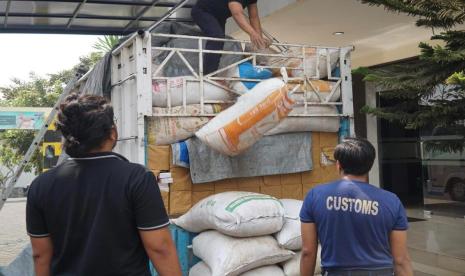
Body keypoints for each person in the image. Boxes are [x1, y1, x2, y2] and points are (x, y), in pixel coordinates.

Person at [26, 94, 182, 276]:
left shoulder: (40, 185)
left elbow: (40, 255)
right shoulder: (137, 178)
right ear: (112, 132)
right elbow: (159, 247)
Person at [300, 138, 413, 276]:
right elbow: (401, 260)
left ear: (338, 165)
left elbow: (308, 252)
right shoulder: (392, 201)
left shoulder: (315, 196)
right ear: (370, 166)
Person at [191, 0, 269, 74]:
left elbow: (254, 17)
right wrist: (252, 33)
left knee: (219, 42)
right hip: (203, 11)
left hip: (218, 16)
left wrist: (260, 39)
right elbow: (237, 13)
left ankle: (212, 73)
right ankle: (208, 75)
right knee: (217, 38)